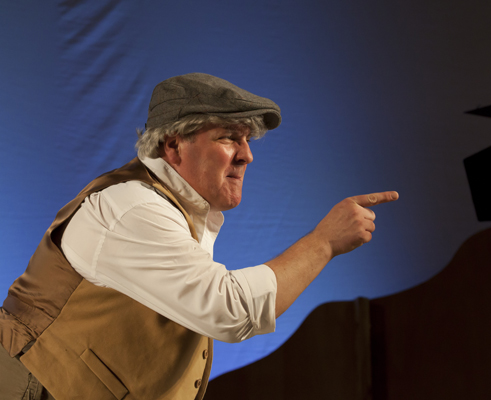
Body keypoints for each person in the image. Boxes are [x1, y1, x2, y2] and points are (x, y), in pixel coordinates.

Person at [0, 73, 398, 400]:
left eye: (247, 139)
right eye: (228, 137)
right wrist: (324, 242)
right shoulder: (133, 207)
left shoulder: (179, 208)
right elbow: (231, 310)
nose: (247, 155)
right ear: (174, 145)